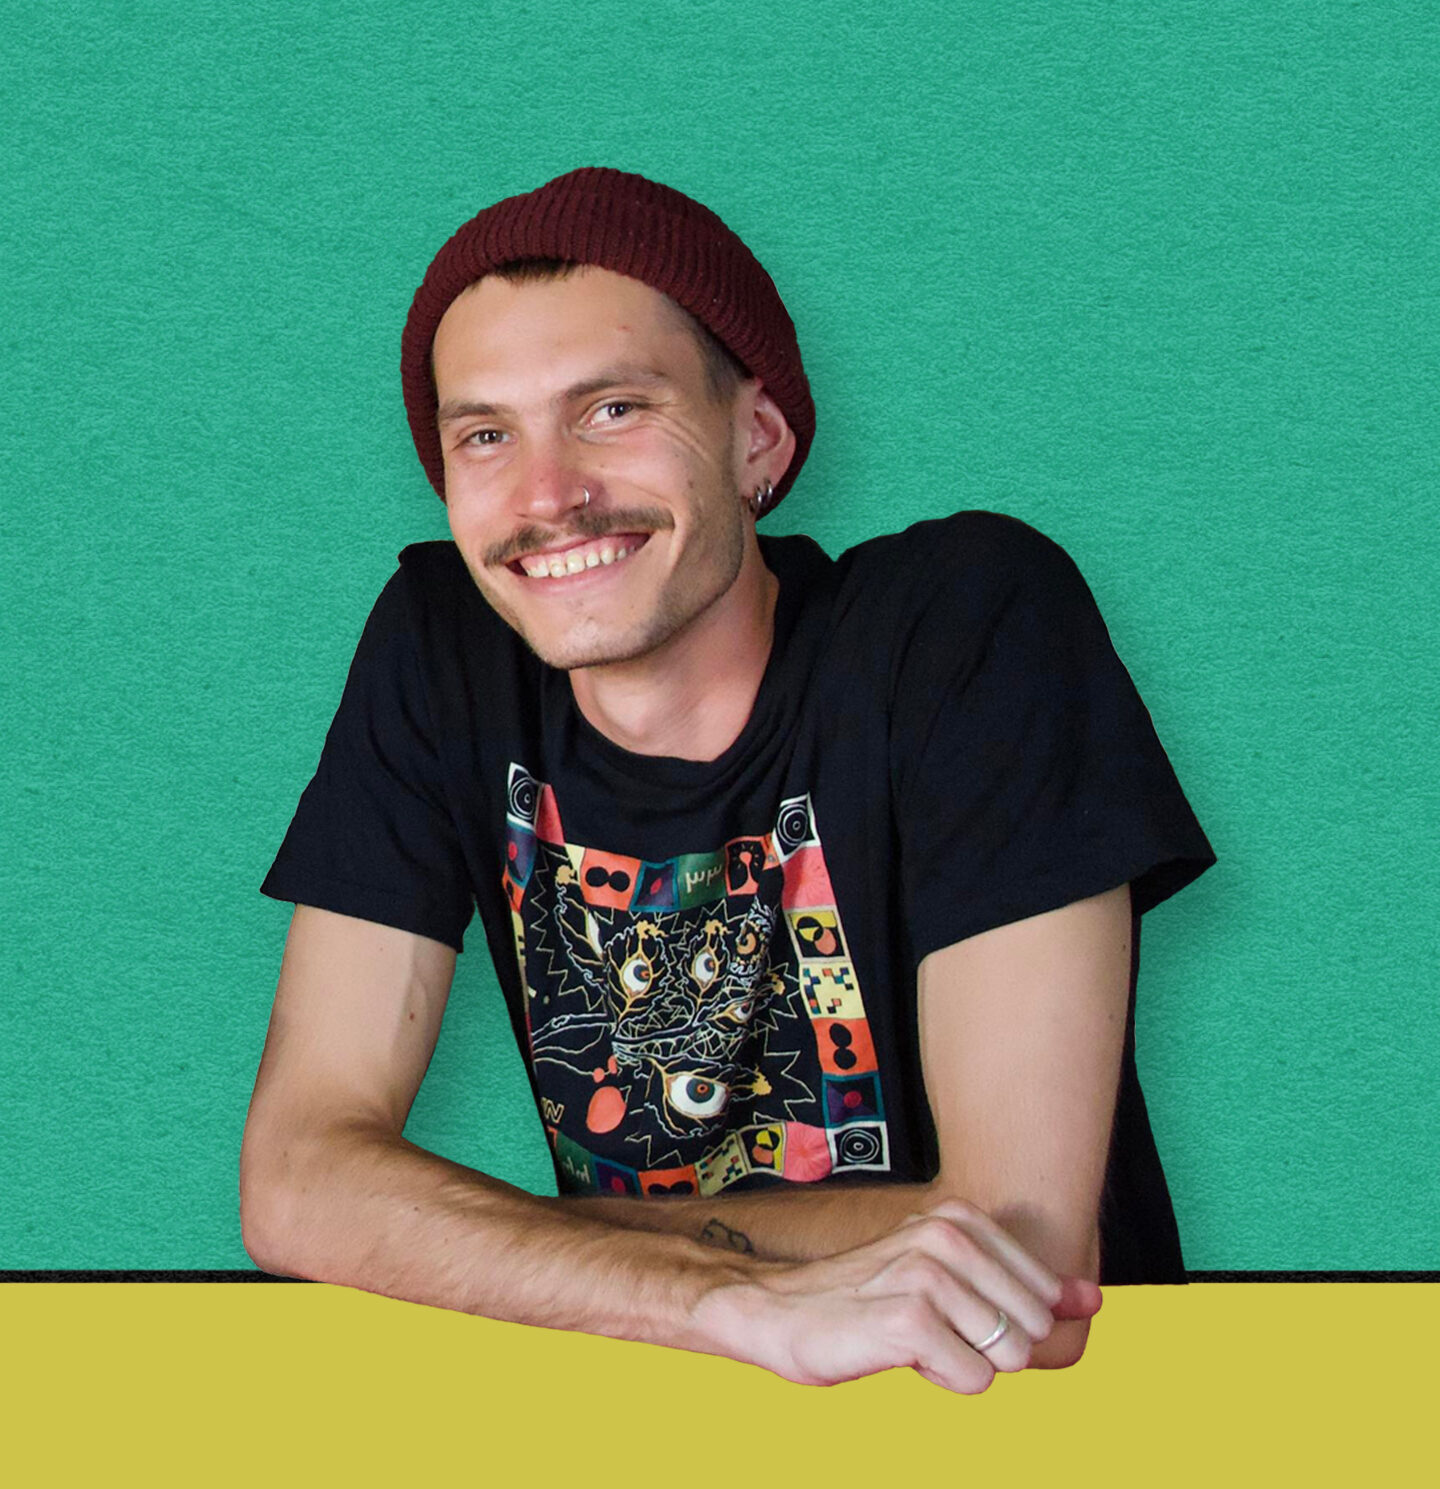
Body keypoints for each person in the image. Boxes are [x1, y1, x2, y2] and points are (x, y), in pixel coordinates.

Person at [241, 166, 1215, 1394]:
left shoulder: (967, 623)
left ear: (757, 436)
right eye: (485, 434)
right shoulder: (443, 647)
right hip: (664, 1399)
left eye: (612, 410)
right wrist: (732, 1303)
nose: (547, 496)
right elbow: (295, 1185)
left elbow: (1017, 1249)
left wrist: (446, 1243)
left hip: (1040, 1422)